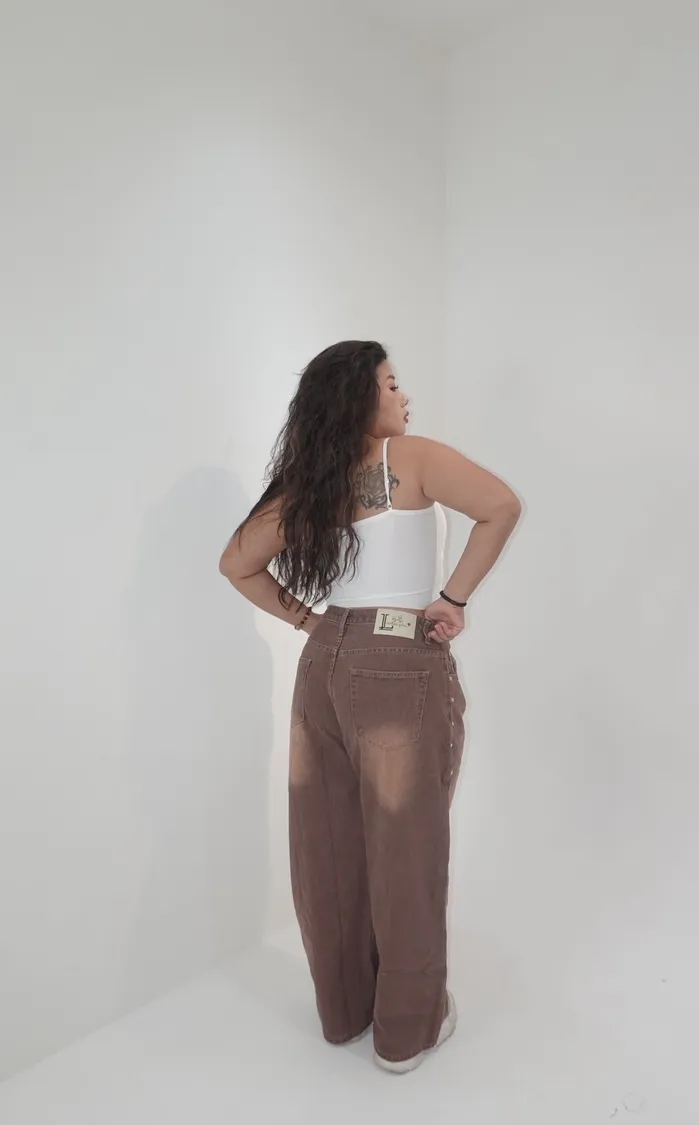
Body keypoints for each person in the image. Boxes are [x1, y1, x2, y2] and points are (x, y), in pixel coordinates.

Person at [219, 340, 522, 1073]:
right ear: (359, 397)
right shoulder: (408, 458)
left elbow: (236, 563)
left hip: (323, 663)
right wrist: (452, 599)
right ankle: (406, 1032)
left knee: (325, 845)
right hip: (396, 664)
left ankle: (344, 1012)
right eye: (390, 385)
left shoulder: (309, 486)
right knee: (404, 847)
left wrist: (307, 621)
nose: (403, 397)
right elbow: (501, 506)